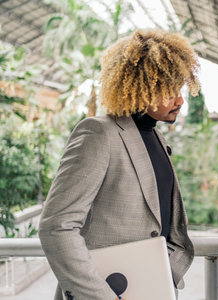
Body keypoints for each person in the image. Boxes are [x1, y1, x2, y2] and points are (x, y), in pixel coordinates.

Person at [38, 29, 200, 300]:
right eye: (169, 90)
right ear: (143, 85)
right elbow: (57, 226)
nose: (180, 100)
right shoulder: (99, 133)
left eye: (181, 88)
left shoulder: (156, 137)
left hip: (153, 287)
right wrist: (102, 296)